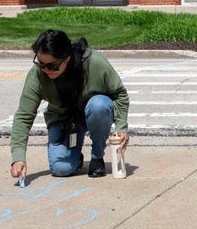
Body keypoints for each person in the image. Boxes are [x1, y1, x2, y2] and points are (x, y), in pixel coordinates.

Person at [10, 29, 130, 180]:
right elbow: (24, 116)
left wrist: (121, 128)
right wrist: (18, 158)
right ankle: (75, 155)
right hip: (63, 118)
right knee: (61, 169)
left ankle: (97, 157)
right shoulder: (37, 75)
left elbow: (120, 94)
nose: (46, 70)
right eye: (41, 64)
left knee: (99, 105)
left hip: (94, 111)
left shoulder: (94, 62)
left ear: (66, 57)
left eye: (52, 65)